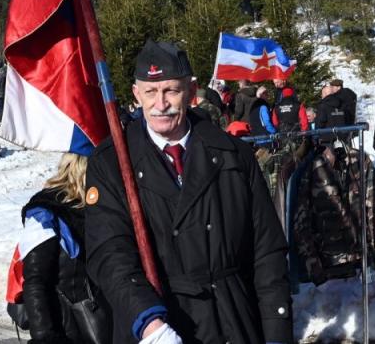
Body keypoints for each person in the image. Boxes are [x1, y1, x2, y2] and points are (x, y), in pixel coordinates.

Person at [85, 40, 292, 344]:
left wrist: (277, 333)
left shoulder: (232, 155)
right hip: (159, 324)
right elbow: (109, 254)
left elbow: (267, 253)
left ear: (191, 92)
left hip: (232, 322)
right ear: (136, 95)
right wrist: (149, 323)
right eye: (150, 92)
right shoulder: (112, 164)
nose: (161, 103)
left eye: (171, 90)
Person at [20, 153, 110, 343]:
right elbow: (36, 280)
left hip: (110, 318)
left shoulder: (102, 204)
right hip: (71, 328)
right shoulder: (46, 211)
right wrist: (46, 337)